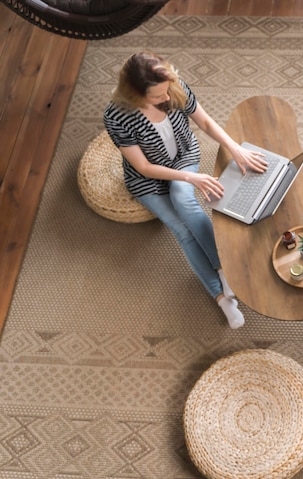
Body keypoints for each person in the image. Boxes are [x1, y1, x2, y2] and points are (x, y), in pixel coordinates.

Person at [103, 52, 267, 329]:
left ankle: (224, 270)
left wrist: (234, 147)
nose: (166, 98)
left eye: (166, 91)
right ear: (134, 95)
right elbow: (142, 167)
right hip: (147, 178)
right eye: (157, 96)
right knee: (180, 228)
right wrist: (192, 179)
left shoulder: (173, 87)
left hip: (183, 157)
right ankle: (222, 298)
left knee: (184, 202)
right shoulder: (117, 116)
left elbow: (204, 122)